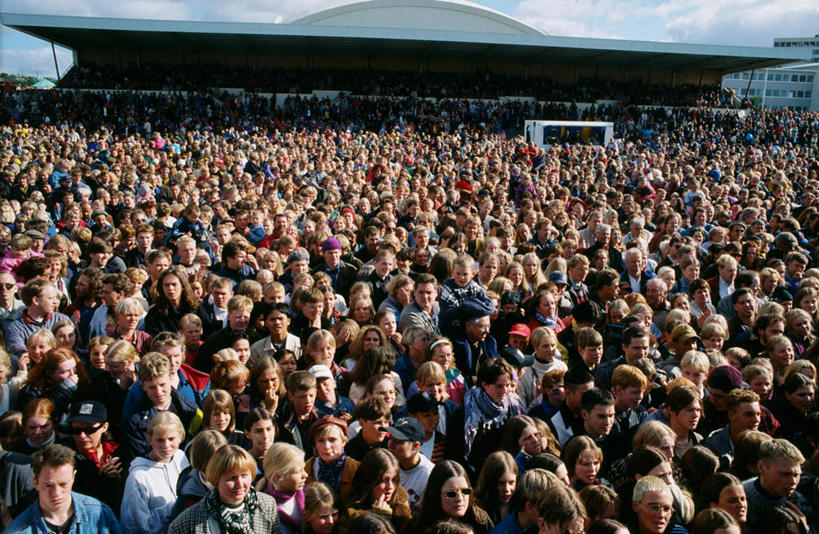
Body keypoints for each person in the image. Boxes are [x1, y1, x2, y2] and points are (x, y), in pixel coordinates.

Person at [4, 444, 121, 534]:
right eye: (48, 485)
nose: (56, 493)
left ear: (73, 477)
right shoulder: (18, 530)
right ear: (36, 483)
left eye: (63, 484)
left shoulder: (100, 514)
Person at [168, 444, 281, 533]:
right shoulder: (190, 520)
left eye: (244, 475)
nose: (240, 484)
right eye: (232, 478)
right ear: (216, 480)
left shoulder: (267, 506)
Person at [447, 357, 523, 474]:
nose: (505, 390)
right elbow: (456, 452)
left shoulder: (512, 408)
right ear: (485, 384)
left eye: (507, 385)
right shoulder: (466, 413)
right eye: (499, 386)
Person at [120, 411, 189, 534]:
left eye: (171, 439)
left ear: (180, 436)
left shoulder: (180, 457)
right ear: (150, 439)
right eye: (160, 440)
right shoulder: (139, 476)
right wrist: (173, 509)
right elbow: (135, 525)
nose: (166, 446)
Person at [743, 438, 814, 532]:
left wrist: (805, 530)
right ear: (761, 467)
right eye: (785, 474)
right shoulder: (739, 498)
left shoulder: (802, 500)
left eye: (796, 475)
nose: (793, 481)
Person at [338, 448, 413, 534]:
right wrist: (377, 521)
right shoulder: (349, 510)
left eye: (394, 480)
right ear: (369, 481)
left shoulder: (402, 508)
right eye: (384, 480)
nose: (390, 487)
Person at [416, 460, 493, 534]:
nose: (459, 499)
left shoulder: (481, 520)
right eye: (451, 494)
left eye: (465, 491)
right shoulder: (424, 528)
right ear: (436, 495)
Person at [387, 416, 435, 513]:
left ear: (415, 446)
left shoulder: (428, 475)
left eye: (398, 441)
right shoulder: (389, 463)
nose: (391, 445)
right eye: (391, 439)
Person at [259, 442, 308, 534]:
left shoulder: (308, 495)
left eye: (304, 469)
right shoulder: (263, 511)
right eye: (299, 471)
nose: (305, 475)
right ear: (277, 478)